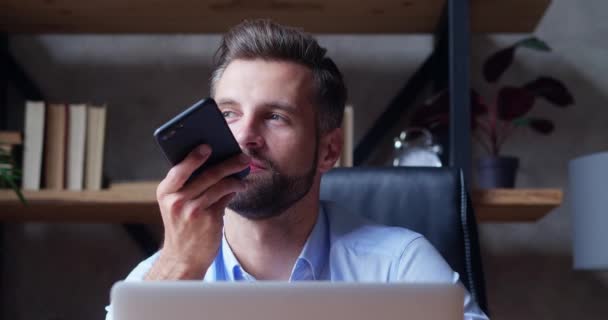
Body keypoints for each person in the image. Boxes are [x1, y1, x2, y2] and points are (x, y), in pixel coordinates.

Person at [105, 19, 488, 320]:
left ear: (329, 149)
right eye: (228, 114)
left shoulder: (399, 266)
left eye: (275, 116)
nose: (245, 137)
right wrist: (177, 269)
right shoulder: (163, 277)